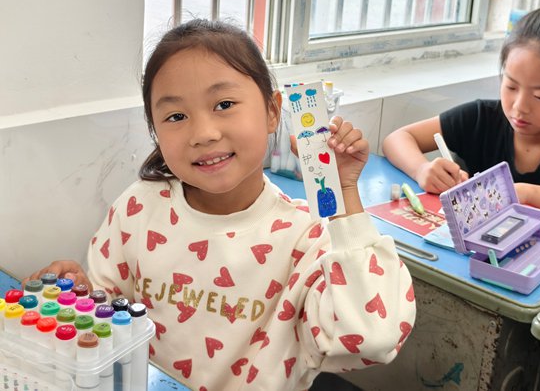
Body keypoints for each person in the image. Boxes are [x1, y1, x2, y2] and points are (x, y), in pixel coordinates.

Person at [24, 19, 416, 390]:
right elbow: (107, 317)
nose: (204, 133)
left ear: (272, 111)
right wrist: (76, 296)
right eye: (176, 115)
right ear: (154, 130)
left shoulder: (308, 239)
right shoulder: (139, 209)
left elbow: (372, 338)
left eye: (224, 104)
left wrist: (343, 194)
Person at [383, 1, 540, 222]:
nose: (519, 106)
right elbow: (397, 138)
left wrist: (526, 193)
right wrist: (421, 170)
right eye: (511, 86)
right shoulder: (481, 118)